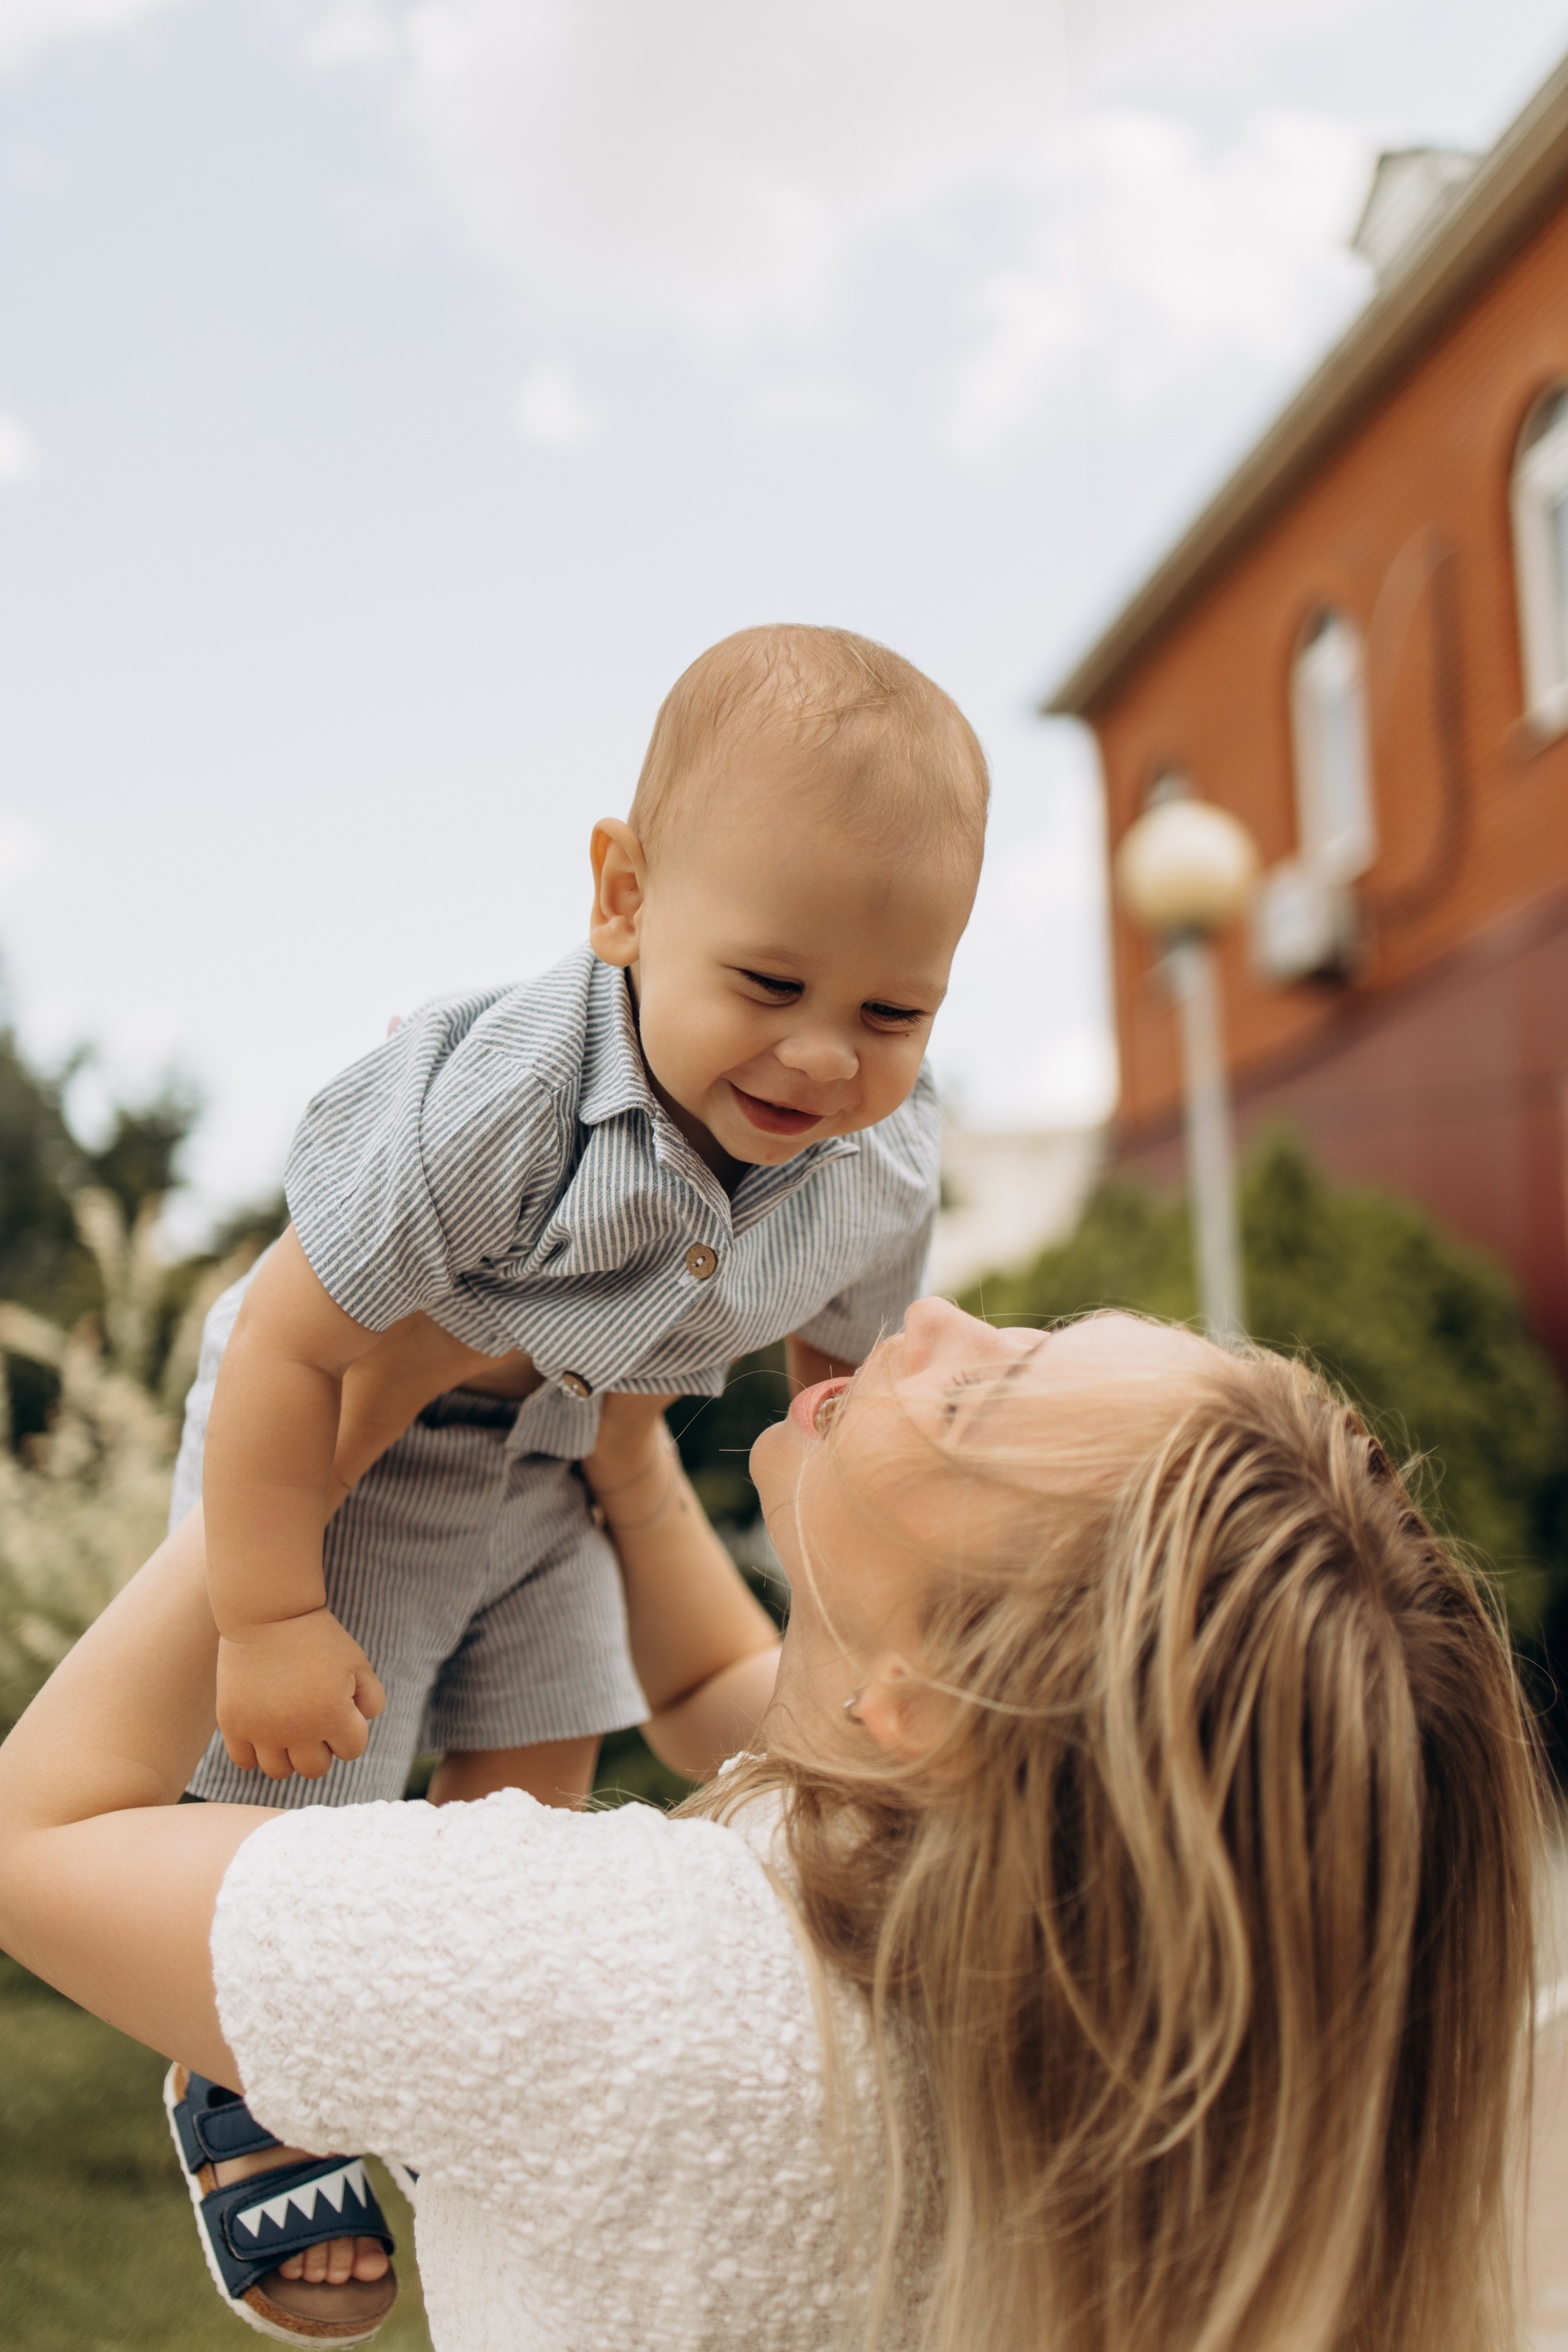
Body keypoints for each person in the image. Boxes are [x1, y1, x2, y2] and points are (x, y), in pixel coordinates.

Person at [0, 1299, 1542, 2352]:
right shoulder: (1053, 1979)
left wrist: (333, 1424)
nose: (924, 1318)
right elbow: (713, 1690)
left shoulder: (603, 1973)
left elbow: (37, 1842)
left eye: (978, 1390)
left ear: (924, 1692)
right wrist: (623, 1460)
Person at [149, 619, 988, 2332]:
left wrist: (857, 1586)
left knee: (522, 1800)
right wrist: (266, 1612)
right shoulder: (506, 1105)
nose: (826, 1059)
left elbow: (846, 1378)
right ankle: (227, 2070)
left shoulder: (877, 1166)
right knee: (310, 1768)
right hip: (362, 1449)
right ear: (624, 901)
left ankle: (455, 2054)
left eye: (893, 1010)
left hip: (566, 1470)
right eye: (769, 987)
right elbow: (288, 1349)